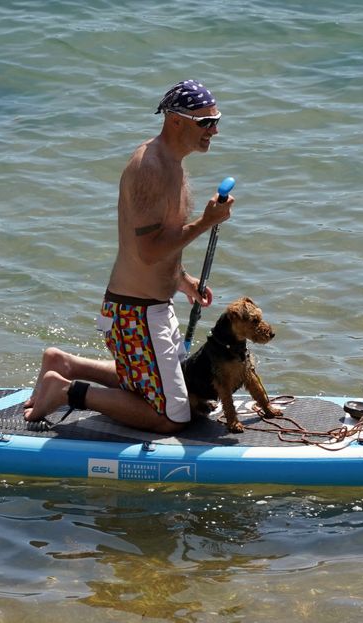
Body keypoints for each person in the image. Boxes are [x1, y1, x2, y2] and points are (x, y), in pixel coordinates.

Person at [23, 80, 233, 434]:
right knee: (172, 416)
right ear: (175, 120)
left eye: (217, 121)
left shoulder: (174, 163)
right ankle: (65, 390)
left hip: (149, 306)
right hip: (134, 313)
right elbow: (149, 251)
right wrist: (206, 222)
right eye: (205, 122)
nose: (214, 130)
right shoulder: (150, 167)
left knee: (169, 386)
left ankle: (65, 364)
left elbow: (162, 239)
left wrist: (182, 281)